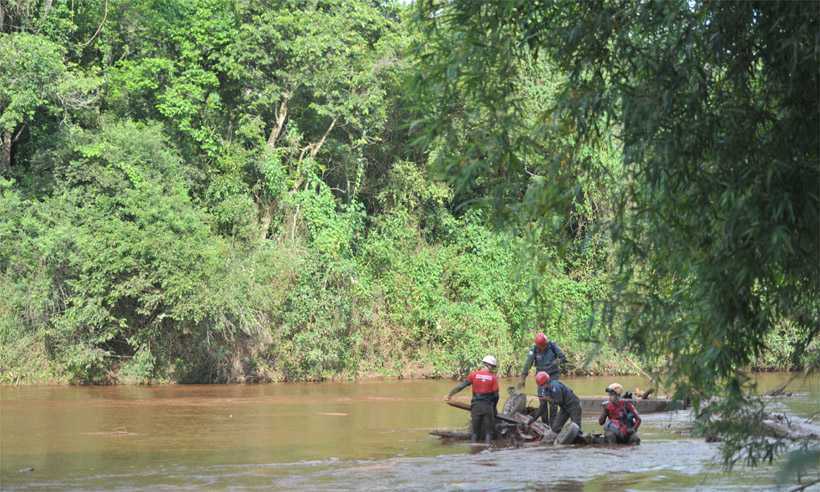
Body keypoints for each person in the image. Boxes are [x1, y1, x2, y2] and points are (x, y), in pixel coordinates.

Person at [446, 355, 500, 444]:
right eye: (493, 367)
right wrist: (494, 408)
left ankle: (473, 452)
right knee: (488, 433)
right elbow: (496, 396)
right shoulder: (493, 378)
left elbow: (461, 386)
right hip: (487, 407)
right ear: (490, 366)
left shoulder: (474, 375)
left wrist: (450, 394)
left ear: (484, 364)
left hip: (475, 406)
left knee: (474, 433)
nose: (493, 369)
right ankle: (488, 453)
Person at [517, 332, 567, 425]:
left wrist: (557, 361)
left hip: (553, 376)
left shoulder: (552, 346)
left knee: (553, 402)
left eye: (545, 345)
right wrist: (523, 378)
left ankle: (553, 424)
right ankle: (545, 424)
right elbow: (528, 363)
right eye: (542, 346)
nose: (543, 347)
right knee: (543, 401)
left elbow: (563, 358)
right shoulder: (534, 349)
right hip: (541, 378)